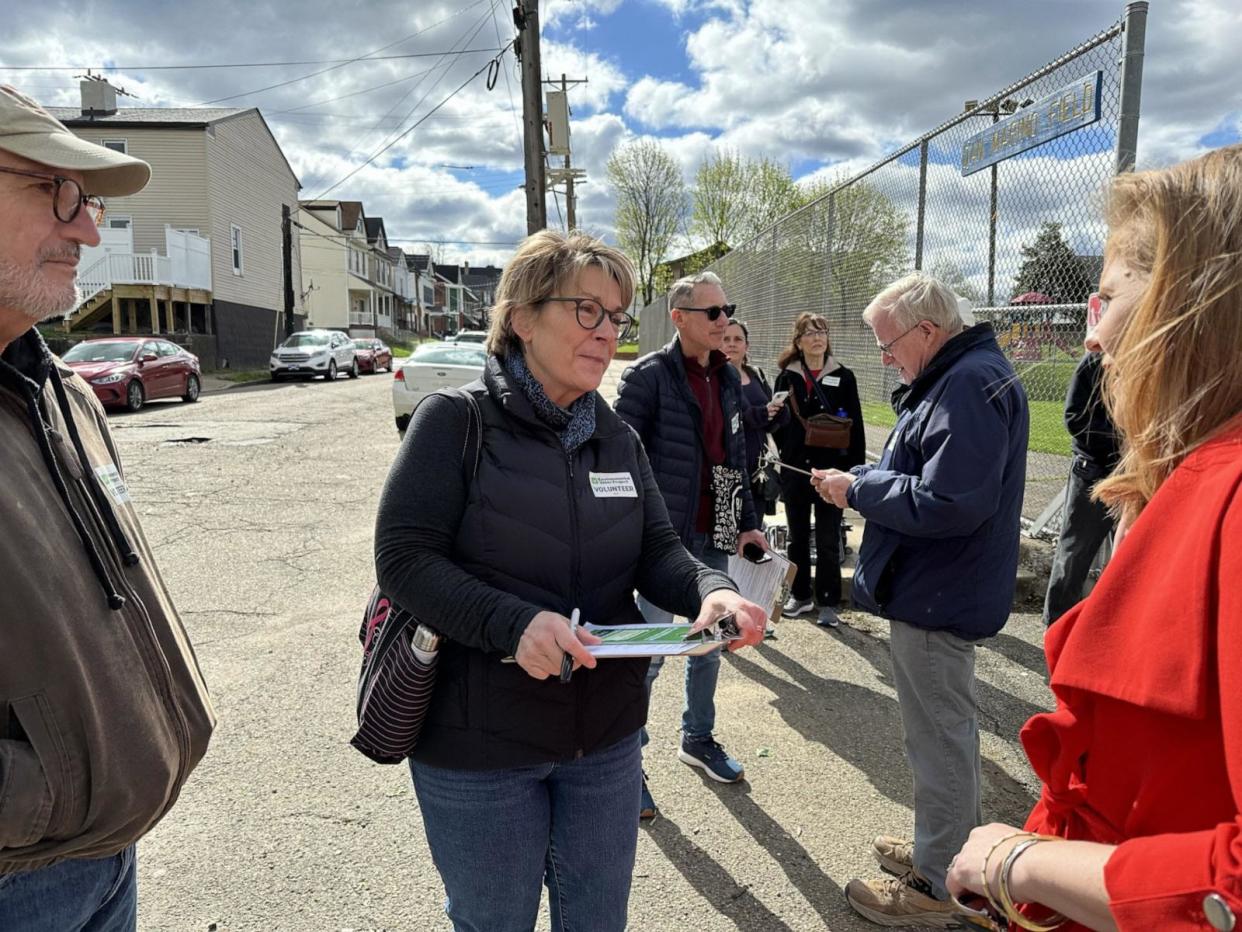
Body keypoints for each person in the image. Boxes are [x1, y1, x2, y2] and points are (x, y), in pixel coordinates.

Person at [374, 232, 766, 931]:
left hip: (605, 741)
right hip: (480, 746)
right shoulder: (454, 422)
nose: (607, 331)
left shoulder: (615, 435)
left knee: (597, 919)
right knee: (494, 919)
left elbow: (656, 549)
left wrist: (712, 589)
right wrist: (514, 625)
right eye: (587, 310)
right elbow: (405, 561)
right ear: (522, 316)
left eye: (615, 316)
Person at [945, 145, 1242, 932]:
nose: (1093, 338)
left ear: (1188, 303)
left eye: (1106, 298)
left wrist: (1019, 862)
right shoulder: (1196, 482)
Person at [0, 87, 215, 929]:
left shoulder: (58, 393)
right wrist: (33, 795)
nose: (89, 228)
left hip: (100, 855)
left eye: (85, 201)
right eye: (53, 191)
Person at [811, 272, 1029, 927]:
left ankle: (938, 887)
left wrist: (858, 491)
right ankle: (946, 846)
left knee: (939, 742)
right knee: (935, 738)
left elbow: (951, 503)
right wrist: (867, 479)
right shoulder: (958, 376)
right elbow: (926, 474)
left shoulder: (964, 383)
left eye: (888, 343)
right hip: (937, 587)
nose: (885, 357)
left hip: (939, 592)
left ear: (926, 331)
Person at [615, 271, 769, 819]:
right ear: (680, 319)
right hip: (664, 544)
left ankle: (697, 738)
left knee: (712, 643)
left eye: (727, 309)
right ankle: (626, 763)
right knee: (652, 652)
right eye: (713, 312)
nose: (724, 320)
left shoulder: (728, 378)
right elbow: (615, 460)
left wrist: (746, 524)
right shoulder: (647, 377)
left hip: (716, 532)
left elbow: (737, 458)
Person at [771, 313, 865, 628]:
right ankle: (801, 596)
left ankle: (828, 601)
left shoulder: (845, 376)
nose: (817, 337)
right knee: (796, 537)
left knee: (827, 537)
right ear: (798, 341)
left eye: (822, 331)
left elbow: (856, 425)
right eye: (810, 333)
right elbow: (778, 422)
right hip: (797, 467)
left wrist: (853, 470)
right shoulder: (787, 376)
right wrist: (789, 451)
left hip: (833, 469)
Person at [1042, 349, 1119, 627]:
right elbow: (1075, 418)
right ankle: (1056, 627)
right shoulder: (1096, 361)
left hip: (1135, 472)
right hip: (1094, 471)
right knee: (1074, 555)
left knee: (1131, 556)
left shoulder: (1153, 357)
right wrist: (1123, 438)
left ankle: (1113, 630)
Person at [720, 318, 788, 523]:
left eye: (738, 339)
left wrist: (779, 411)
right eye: (726, 339)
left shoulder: (755, 374)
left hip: (757, 469)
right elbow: (733, 417)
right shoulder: (715, 378)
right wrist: (762, 413)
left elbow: (771, 423)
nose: (732, 343)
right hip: (727, 467)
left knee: (754, 533)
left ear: (746, 345)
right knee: (727, 533)